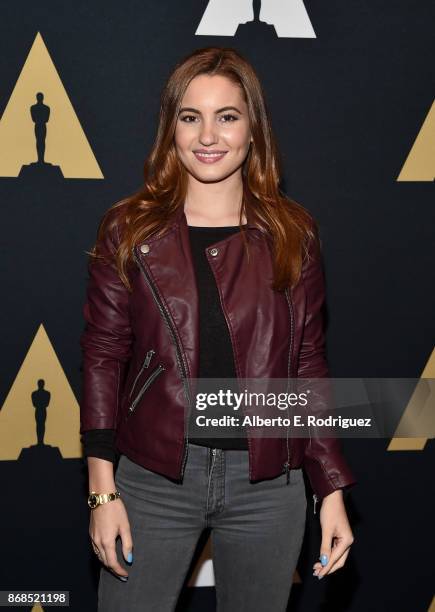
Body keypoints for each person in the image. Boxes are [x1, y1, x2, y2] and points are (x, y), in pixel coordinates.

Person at [79, 46, 357, 612]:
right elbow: (104, 357)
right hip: (154, 479)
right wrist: (101, 490)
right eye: (190, 116)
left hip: (267, 487)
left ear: (254, 129)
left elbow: (307, 366)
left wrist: (329, 489)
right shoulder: (128, 230)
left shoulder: (292, 233)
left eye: (227, 116)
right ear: (171, 129)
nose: (208, 135)